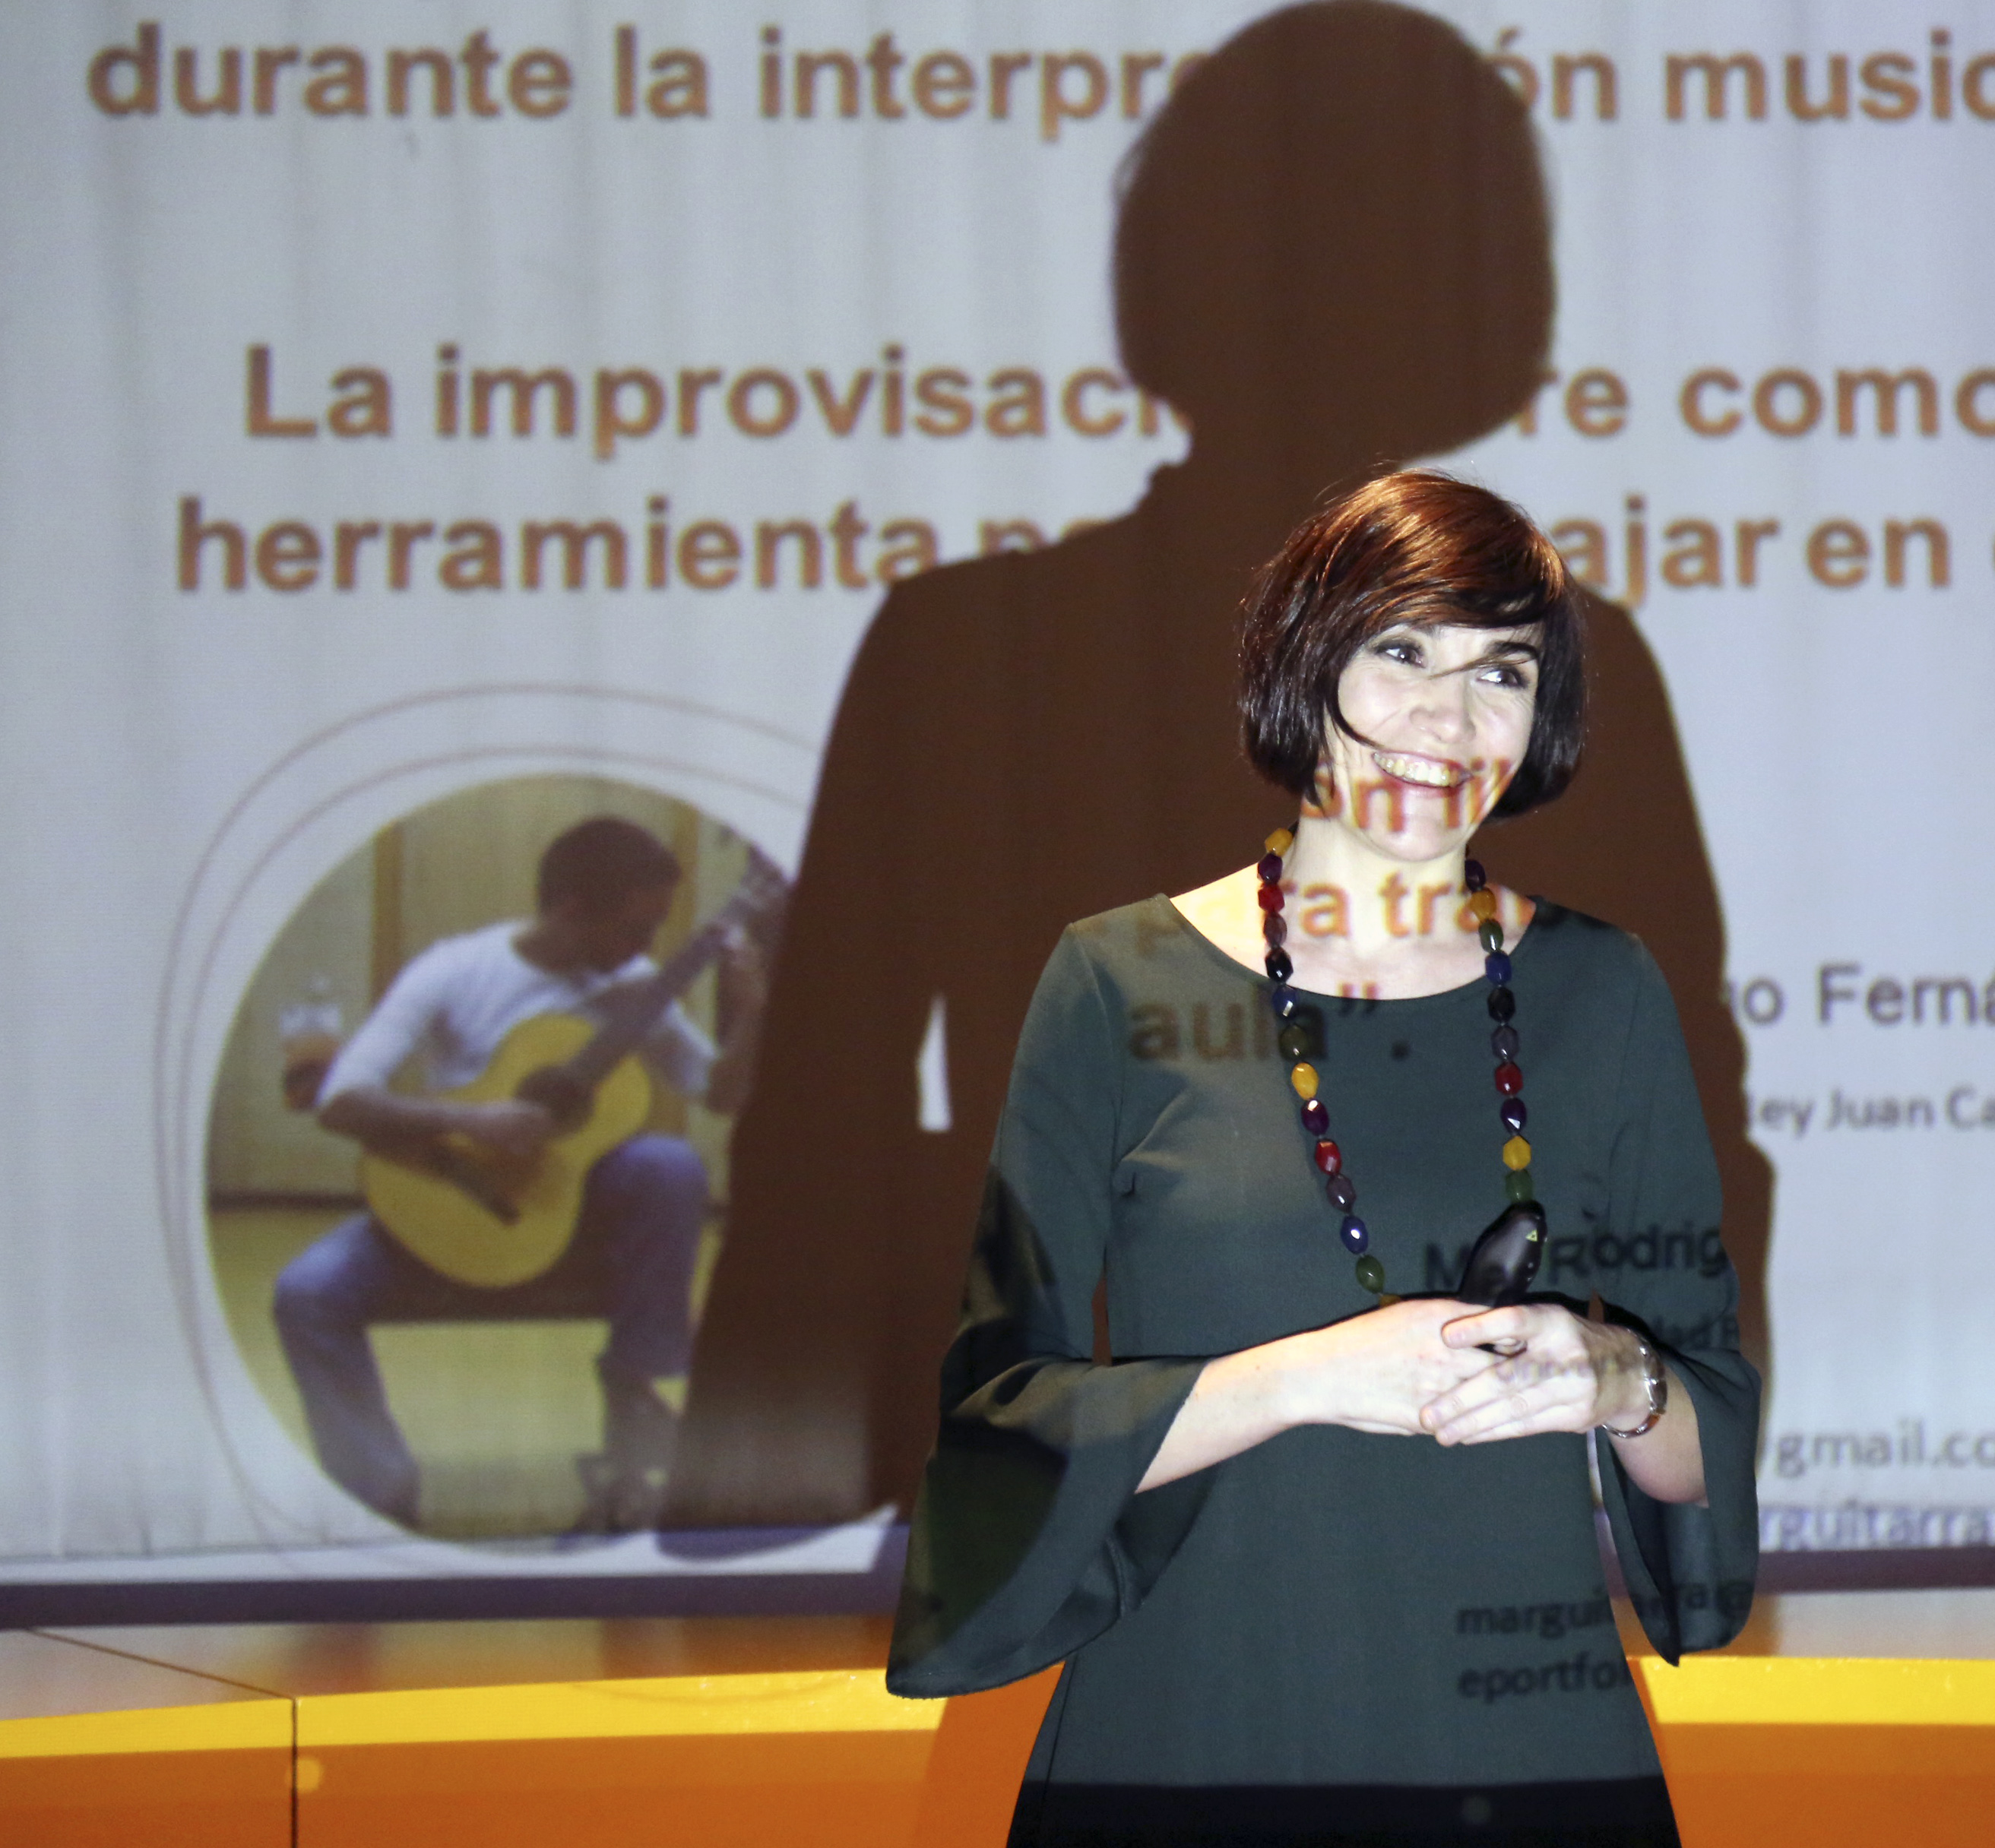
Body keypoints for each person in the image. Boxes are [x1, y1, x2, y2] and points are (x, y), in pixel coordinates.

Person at [667, 0, 1771, 1554]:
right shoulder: (958, 649)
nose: (1444, 715)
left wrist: (1653, 1417)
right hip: (1083, 1492)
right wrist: (771, 1489)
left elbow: (1678, 1137)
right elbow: (825, 1113)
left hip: (1474, 1492)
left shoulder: (1557, 667)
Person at [888, 473, 1758, 1846]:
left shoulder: (1606, 992)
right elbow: (1002, 1422)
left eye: (1502, 673)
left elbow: (1708, 1449)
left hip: (1522, 1728)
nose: (1449, 721)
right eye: (1401, 652)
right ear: (1306, 664)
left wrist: (1614, 1378)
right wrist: (1304, 1379)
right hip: (1195, 1722)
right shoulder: (1115, 981)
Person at [274, 815, 768, 1533]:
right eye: (635, 929)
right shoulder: (454, 969)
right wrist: (473, 1121)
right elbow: (340, 1102)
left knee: (670, 1165)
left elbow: (718, 1095)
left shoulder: (633, 986)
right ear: (571, 908)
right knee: (306, 1292)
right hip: (457, 1208)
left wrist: (751, 1015)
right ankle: (379, 1489)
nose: (646, 949)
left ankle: (636, 1390)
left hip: (569, 1216)